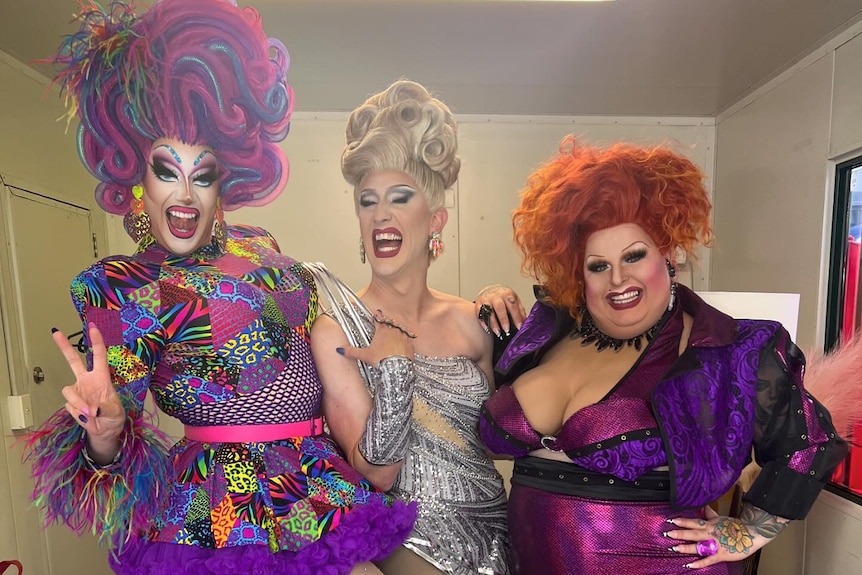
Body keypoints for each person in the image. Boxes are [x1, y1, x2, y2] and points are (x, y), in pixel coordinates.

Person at [25, 1, 415, 573]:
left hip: (315, 475)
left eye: (202, 174)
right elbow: (114, 441)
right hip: (224, 502)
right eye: (166, 171)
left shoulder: (259, 242)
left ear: (223, 183)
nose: (185, 195)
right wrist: (103, 435)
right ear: (138, 179)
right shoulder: (123, 288)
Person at [477, 137, 848, 575]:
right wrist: (488, 297)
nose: (618, 279)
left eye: (634, 256)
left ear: (667, 253)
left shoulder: (734, 350)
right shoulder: (547, 331)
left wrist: (748, 533)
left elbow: (810, 445)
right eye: (598, 265)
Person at [308, 80, 510, 575]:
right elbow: (375, 472)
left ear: (435, 219)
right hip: (410, 545)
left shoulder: (473, 321)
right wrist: (396, 369)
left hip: (500, 541)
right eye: (367, 201)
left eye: (400, 197)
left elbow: (501, 438)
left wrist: (509, 324)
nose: (381, 215)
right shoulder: (337, 329)